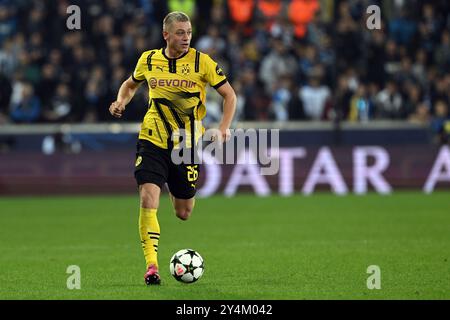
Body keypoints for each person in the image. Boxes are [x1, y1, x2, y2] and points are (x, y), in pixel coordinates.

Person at [109, 11, 236, 285]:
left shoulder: (202, 62)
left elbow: (229, 95)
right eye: (180, 32)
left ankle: (170, 184)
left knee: (183, 212)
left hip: (186, 145)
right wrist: (121, 101)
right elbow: (130, 85)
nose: (186, 37)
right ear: (166, 35)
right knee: (147, 199)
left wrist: (223, 128)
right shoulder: (149, 59)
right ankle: (151, 267)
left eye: (188, 32)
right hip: (152, 139)